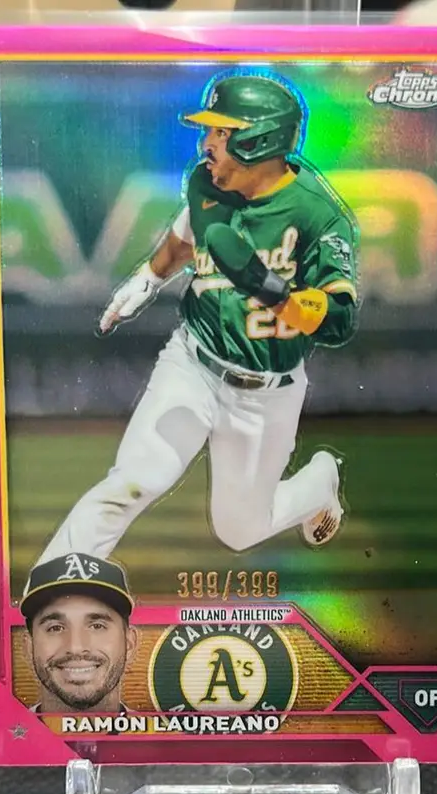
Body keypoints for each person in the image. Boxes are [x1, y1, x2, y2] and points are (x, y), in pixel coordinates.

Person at [34, 70, 360, 570]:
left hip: (266, 392)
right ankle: (53, 583)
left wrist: (272, 291)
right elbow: (188, 241)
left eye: (221, 132)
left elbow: (339, 319)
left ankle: (319, 480)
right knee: (134, 480)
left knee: (238, 530)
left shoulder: (317, 215)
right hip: (193, 362)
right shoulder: (207, 181)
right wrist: (147, 279)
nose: (207, 143)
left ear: (259, 140)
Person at [20, 553, 138, 714]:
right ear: (29, 646)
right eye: (55, 628)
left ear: (129, 643)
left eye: (97, 626)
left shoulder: (161, 731)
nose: (76, 647)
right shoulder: (1, 730)